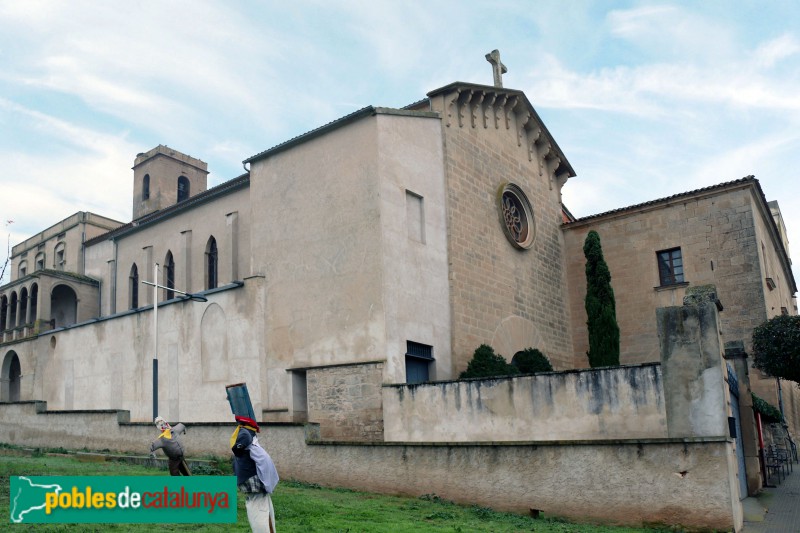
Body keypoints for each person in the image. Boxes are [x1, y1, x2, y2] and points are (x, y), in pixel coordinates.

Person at [231, 415, 279, 533]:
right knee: (262, 507)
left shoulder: (244, 433)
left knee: (257, 510)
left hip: (252, 479)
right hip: (254, 478)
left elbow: (236, 449)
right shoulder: (249, 433)